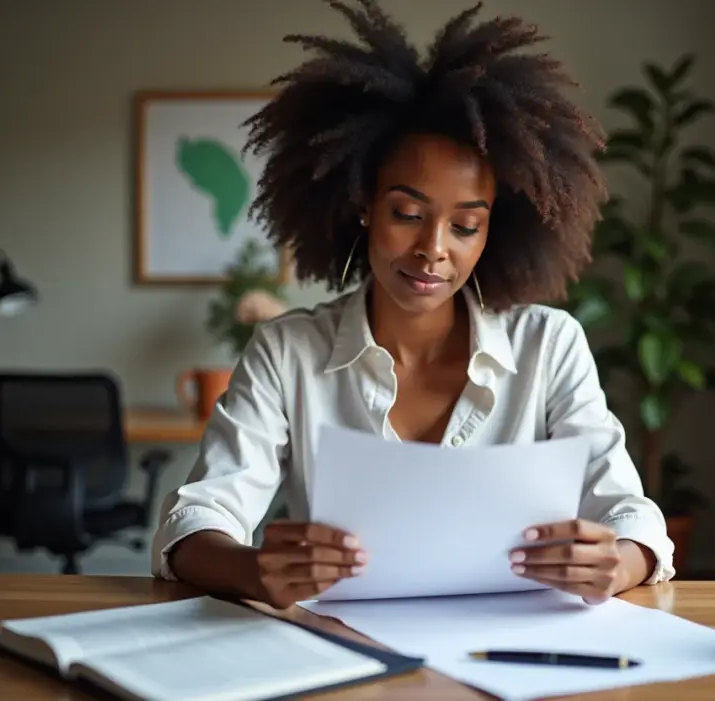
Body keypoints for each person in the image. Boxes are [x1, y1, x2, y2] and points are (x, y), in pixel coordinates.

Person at [151, 0, 675, 609]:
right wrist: (252, 569)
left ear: (493, 234)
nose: (433, 250)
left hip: (510, 652)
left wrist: (616, 562)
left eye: (465, 226)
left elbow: (631, 513)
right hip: (342, 654)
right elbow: (196, 519)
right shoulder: (288, 351)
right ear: (363, 205)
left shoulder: (549, 346)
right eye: (407, 214)